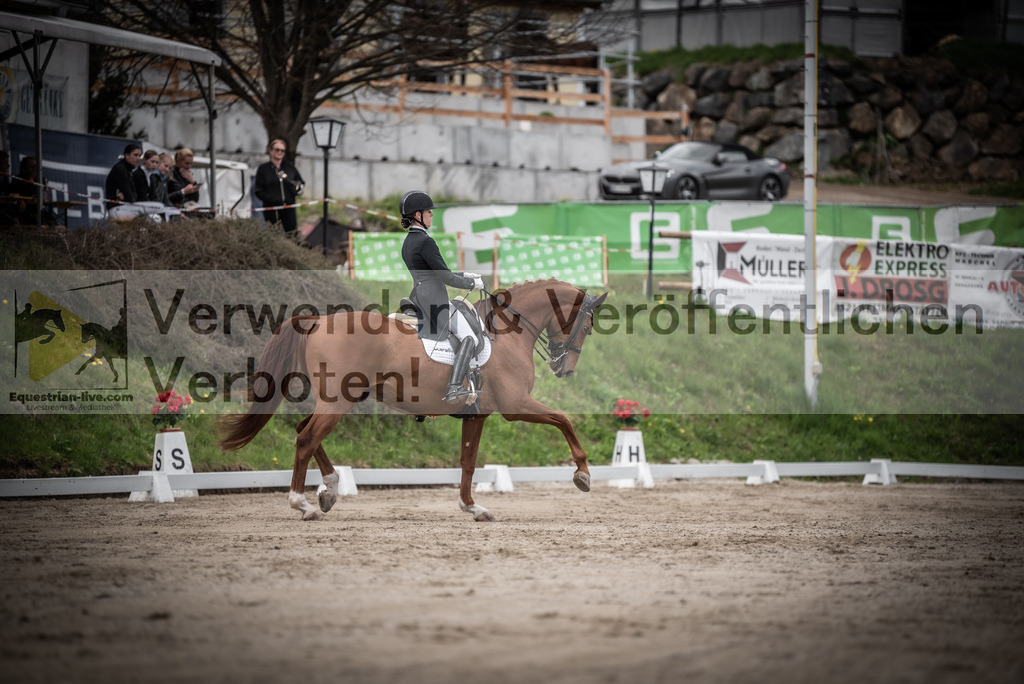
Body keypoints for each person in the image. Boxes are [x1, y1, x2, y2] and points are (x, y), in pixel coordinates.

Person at [399, 190, 485, 402]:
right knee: (470, 337)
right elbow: (445, 277)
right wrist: (471, 283)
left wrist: (465, 274)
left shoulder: (408, 241)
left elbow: (436, 271)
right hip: (434, 298)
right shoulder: (426, 242)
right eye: (428, 212)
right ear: (418, 214)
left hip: (419, 295)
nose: (432, 215)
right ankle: (454, 386)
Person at [253, 138, 304, 233]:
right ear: (271, 151)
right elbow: (258, 190)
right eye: (277, 150)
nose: (280, 152)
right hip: (271, 208)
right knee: (273, 234)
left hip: (289, 208)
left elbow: (300, 182)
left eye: (282, 150)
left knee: (292, 234)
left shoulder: (290, 168)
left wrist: (297, 190)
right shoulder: (263, 169)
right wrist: (271, 199)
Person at [105, 143, 142, 211]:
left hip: (124, 206)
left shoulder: (129, 170)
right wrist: (128, 196)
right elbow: (128, 195)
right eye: (135, 155)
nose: (138, 158)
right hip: (116, 208)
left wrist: (128, 196)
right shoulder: (120, 169)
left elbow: (134, 194)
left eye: (139, 156)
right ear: (127, 155)